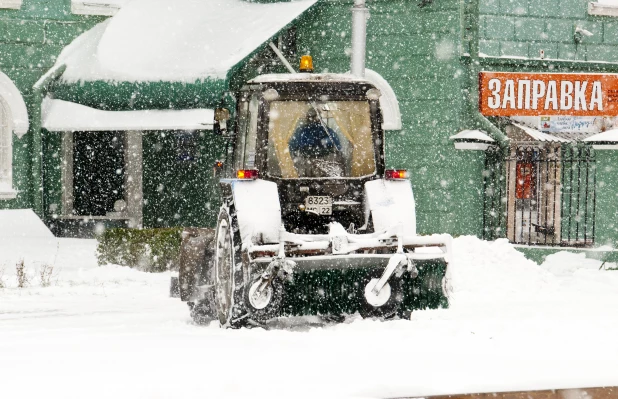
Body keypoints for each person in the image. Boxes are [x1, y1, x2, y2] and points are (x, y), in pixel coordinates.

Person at [288, 107, 345, 177]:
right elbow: (337, 146)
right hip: (316, 165)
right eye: (312, 116)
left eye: (314, 116)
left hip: (314, 164)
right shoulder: (302, 131)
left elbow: (292, 148)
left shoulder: (302, 131)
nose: (312, 119)